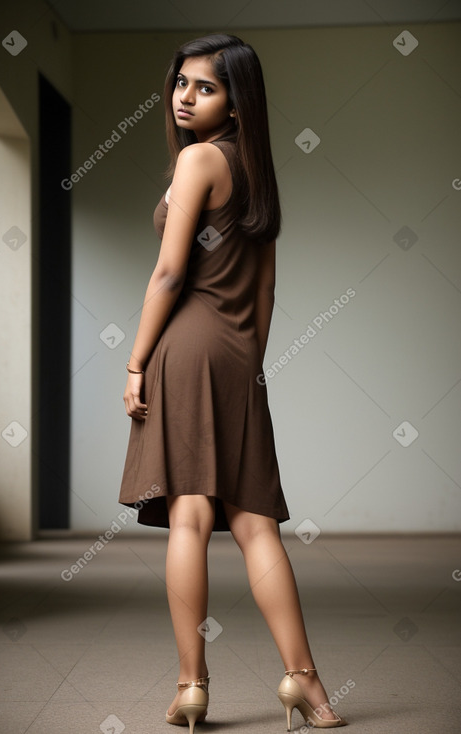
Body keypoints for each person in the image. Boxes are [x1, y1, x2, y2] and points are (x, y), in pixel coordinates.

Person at [119, 33, 347, 732]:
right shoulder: (257, 173)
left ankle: (192, 684)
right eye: (181, 83)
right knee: (253, 523)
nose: (185, 97)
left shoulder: (196, 162)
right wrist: (247, 365)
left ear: (237, 103)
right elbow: (267, 291)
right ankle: (304, 682)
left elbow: (167, 273)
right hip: (238, 353)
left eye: (205, 87)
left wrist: (135, 361)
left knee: (189, 516)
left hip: (184, 348)